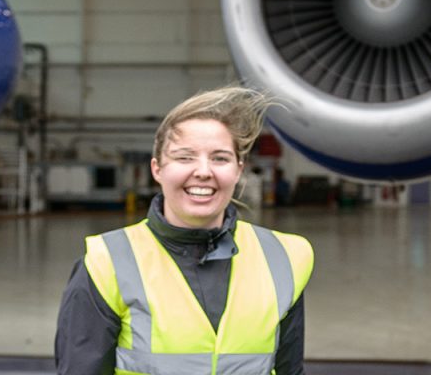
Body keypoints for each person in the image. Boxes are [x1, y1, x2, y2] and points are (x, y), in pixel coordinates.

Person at [55, 86, 314, 375]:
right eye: (185, 157)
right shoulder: (107, 263)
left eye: (219, 158)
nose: (203, 171)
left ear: (239, 169)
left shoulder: (283, 258)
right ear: (157, 169)